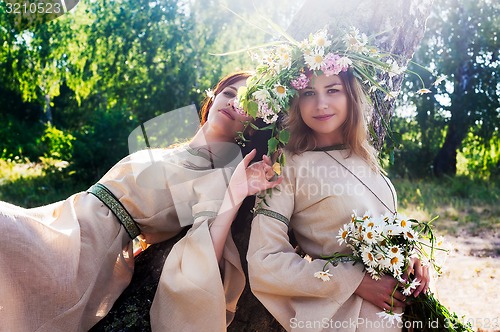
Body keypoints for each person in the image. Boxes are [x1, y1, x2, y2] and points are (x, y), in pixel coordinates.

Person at [0, 71, 281, 331]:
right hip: (59, 222)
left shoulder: (218, 179)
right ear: (213, 97)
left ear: (253, 126)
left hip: (82, 254)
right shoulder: (168, 151)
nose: (233, 102)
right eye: (229, 93)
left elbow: (204, 248)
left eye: (247, 103)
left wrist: (235, 195)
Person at [245, 68, 431, 330]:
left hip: (405, 315)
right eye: (309, 93)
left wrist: (409, 259)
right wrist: (354, 280)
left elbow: (384, 226)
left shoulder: (365, 157)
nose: (321, 104)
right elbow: (264, 261)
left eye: (333, 90)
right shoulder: (284, 164)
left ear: (350, 95)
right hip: (350, 320)